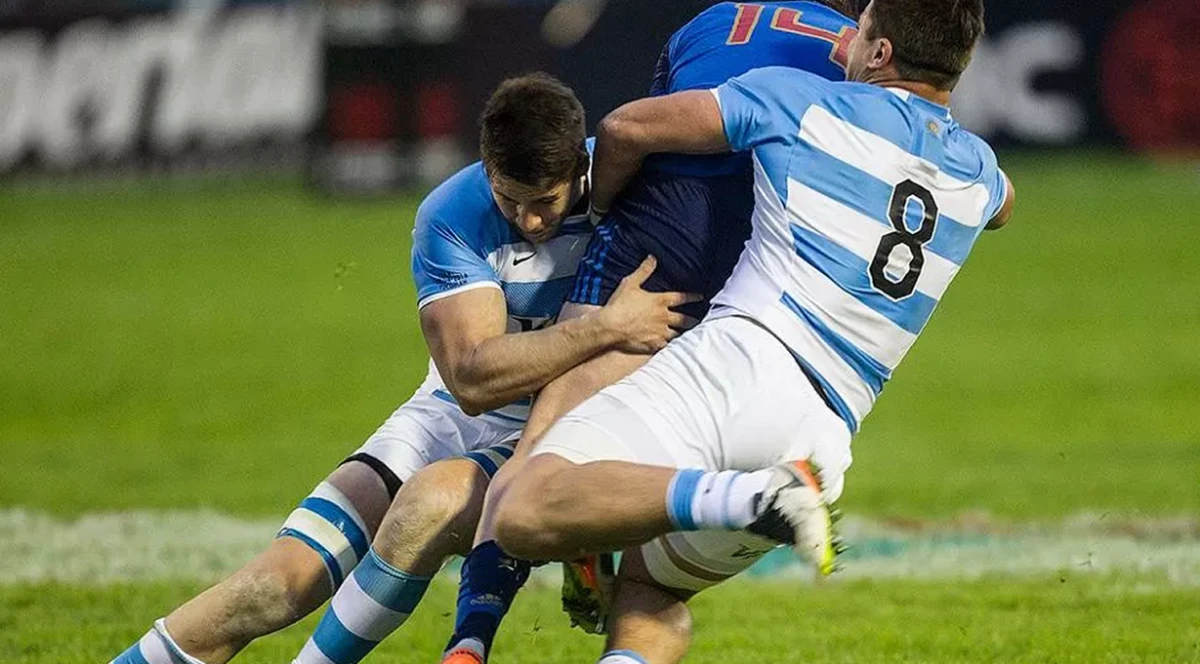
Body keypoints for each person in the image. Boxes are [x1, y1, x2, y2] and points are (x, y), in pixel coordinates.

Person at [487, 1, 1016, 662]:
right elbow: (1004, 205)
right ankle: (761, 496)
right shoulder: (980, 174)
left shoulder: (802, 102)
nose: (847, 43)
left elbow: (628, 127)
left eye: (861, 32)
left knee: (522, 508)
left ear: (881, 54)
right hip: (823, 438)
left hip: (738, 368)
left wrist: (601, 212)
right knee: (650, 591)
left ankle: (749, 496)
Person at [109, 73, 690, 664]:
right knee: (278, 583)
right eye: (509, 198)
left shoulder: (636, 191)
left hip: (567, 427)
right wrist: (603, 327)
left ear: (581, 168)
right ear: (487, 169)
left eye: (545, 202)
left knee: (429, 505)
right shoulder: (454, 213)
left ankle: (565, 544)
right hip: (454, 414)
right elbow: (472, 380)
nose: (529, 221)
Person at [442, 2, 862, 662]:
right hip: (771, 251)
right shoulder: (861, 51)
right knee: (657, 573)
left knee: (543, 445)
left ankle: (471, 641)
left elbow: (628, 130)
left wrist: (610, 210)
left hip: (662, 231)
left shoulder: (711, 21)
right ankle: (654, 527)